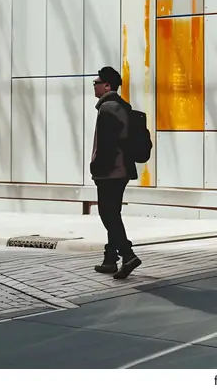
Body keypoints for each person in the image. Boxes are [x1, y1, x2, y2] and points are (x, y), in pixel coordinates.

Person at [91, 66, 141, 279]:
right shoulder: (119, 106)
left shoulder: (109, 108)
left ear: (107, 85)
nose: (94, 85)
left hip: (111, 172)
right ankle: (110, 259)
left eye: (97, 82)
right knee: (113, 213)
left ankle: (127, 255)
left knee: (108, 214)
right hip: (120, 170)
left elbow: (108, 144)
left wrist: (98, 169)